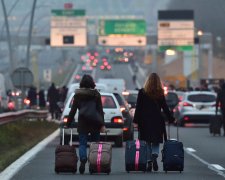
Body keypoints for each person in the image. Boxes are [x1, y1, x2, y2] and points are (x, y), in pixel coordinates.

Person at [133, 73, 175, 172]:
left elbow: (138, 107)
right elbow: (165, 107)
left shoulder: (142, 92)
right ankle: (154, 155)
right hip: (157, 120)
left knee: (147, 141)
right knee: (156, 140)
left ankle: (149, 161)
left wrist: (135, 121)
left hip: (145, 121)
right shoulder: (160, 92)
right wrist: (171, 119)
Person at [67, 74, 106, 174]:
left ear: (82, 83)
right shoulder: (96, 94)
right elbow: (100, 110)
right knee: (95, 145)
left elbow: (73, 110)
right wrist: (102, 124)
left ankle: (83, 158)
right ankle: (94, 165)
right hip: (95, 123)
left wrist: (68, 122)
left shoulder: (78, 95)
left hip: (83, 122)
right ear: (92, 83)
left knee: (82, 144)